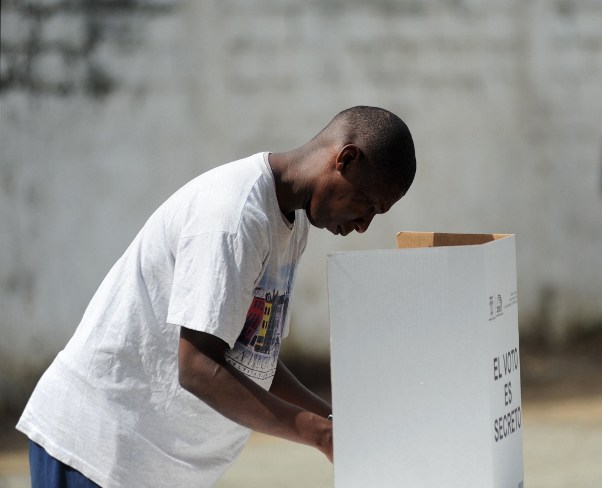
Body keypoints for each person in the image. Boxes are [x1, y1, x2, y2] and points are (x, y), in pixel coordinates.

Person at [17, 106, 417, 487]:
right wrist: (320, 434)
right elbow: (196, 368)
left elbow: (251, 358)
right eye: (368, 203)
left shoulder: (291, 222)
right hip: (97, 452)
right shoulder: (236, 214)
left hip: (146, 466)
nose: (364, 224)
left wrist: (330, 416)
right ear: (345, 159)